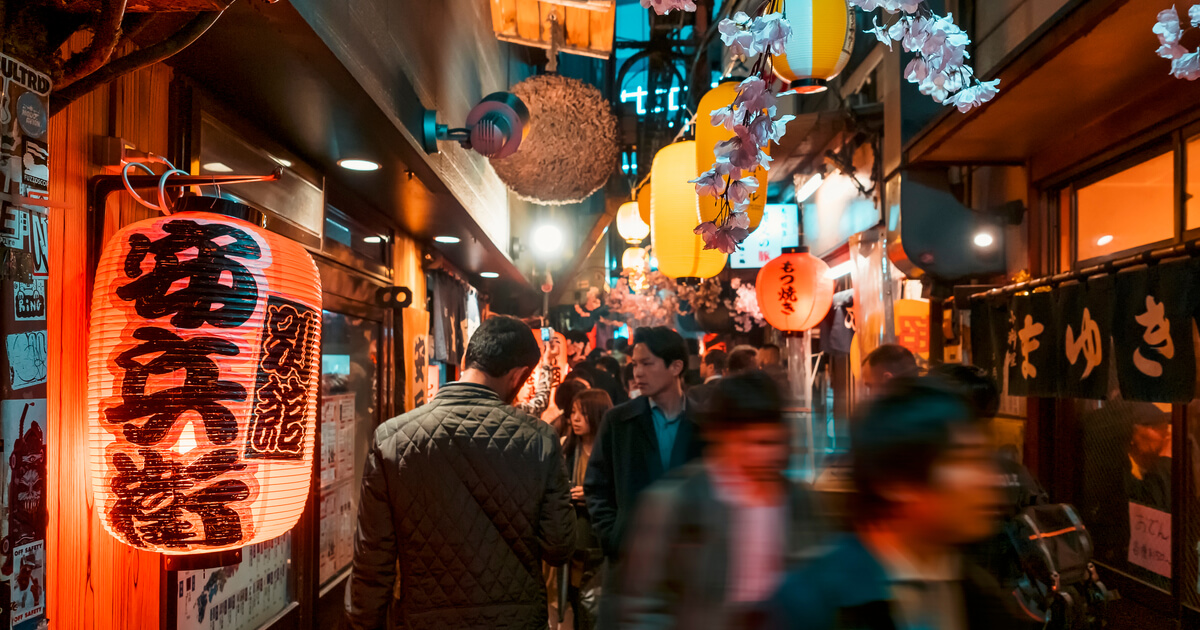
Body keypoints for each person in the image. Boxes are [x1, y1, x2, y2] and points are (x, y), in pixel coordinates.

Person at [345, 315, 575, 630]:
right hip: (515, 619)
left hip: (423, 619)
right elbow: (559, 546)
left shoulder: (392, 438)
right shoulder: (540, 439)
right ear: (520, 375)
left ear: (467, 359)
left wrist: (363, 623)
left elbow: (372, 560)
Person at [766, 378, 1014, 630]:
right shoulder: (810, 602)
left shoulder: (981, 597)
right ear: (896, 481)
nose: (990, 479)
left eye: (985, 458)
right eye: (965, 459)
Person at [620, 372, 825, 630]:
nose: (771, 454)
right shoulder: (676, 503)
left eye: (776, 442)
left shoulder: (798, 501)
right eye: (757, 443)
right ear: (723, 437)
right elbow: (644, 606)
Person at [584, 326, 705, 629]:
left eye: (647, 363)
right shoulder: (619, 421)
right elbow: (596, 485)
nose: (637, 372)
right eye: (634, 364)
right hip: (631, 563)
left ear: (676, 366)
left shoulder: (706, 422)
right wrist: (615, 535)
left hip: (691, 566)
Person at [555, 389, 613, 630]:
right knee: (576, 603)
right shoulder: (567, 450)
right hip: (574, 542)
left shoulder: (611, 452)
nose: (575, 418)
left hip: (601, 543)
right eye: (573, 413)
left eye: (583, 413)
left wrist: (593, 498)